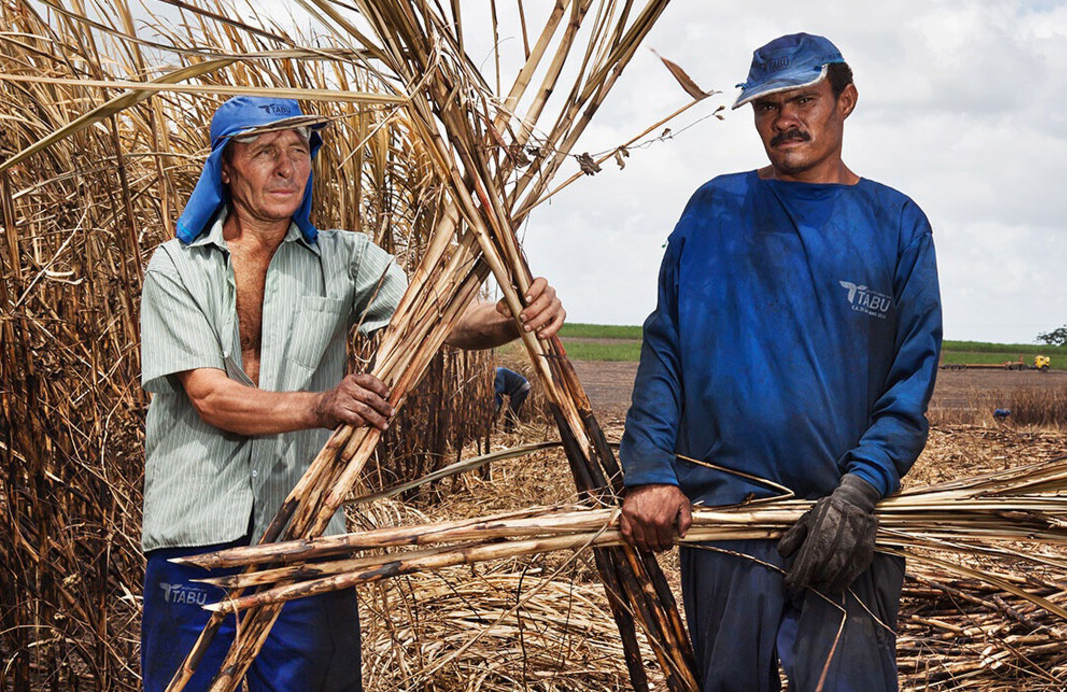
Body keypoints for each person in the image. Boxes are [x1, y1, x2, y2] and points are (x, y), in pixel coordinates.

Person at [138, 96, 566, 691]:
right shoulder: (177, 268)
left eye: (299, 150)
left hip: (306, 528)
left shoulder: (345, 259)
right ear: (226, 168)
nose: (288, 167)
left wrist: (513, 313)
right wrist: (320, 404)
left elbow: (441, 320)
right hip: (196, 537)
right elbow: (210, 396)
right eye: (265, 152)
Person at [617, 33, 942, 691]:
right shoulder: (715, 210)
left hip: (844, 522)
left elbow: (911, 382)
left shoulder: (895, 224)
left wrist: (859, 493)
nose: (783, 119)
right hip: (727, 519)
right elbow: (666, 348)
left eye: (803, 99)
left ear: (845, 100)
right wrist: (648, 471)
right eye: (767, 105)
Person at [493, 366, 531, 430]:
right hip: (516, 390)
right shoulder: (496, 372)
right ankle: (511, 429)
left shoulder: (497, 373)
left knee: (512, 412)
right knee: (513, 410)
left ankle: (509, 431)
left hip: (521, 387)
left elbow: (499, 392)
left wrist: (496, 409)